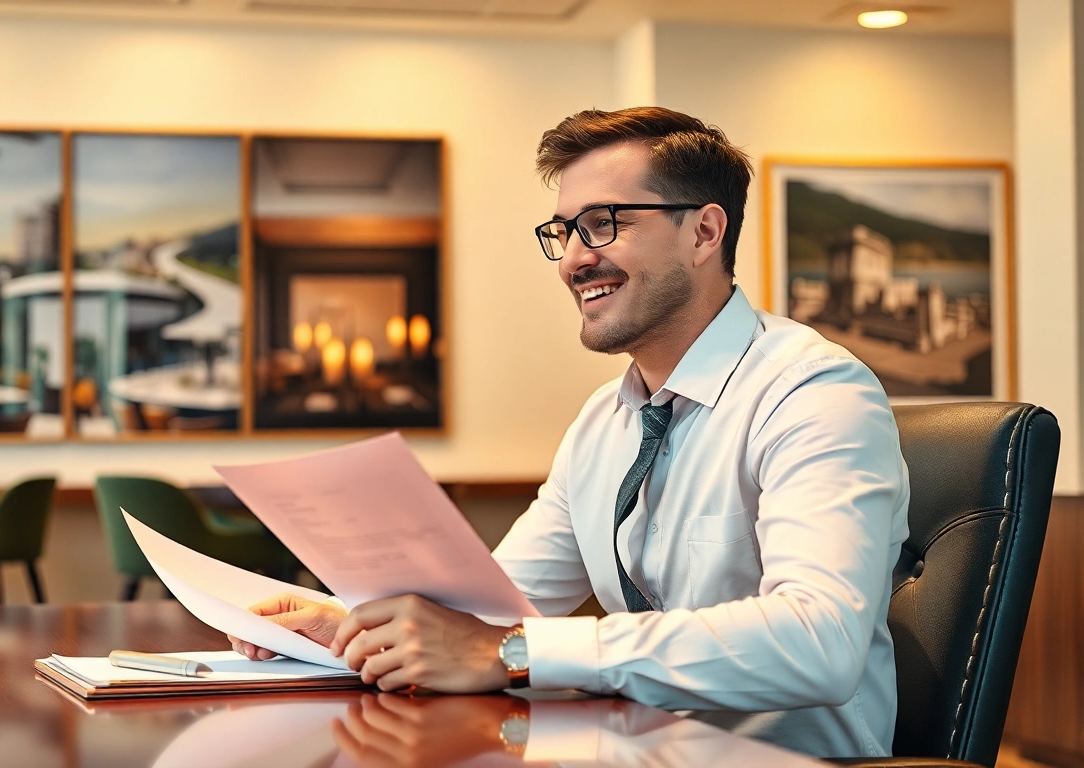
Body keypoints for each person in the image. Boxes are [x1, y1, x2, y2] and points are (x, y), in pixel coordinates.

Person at [229, 107, 910, 758]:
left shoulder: (812, 393)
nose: (572, 261)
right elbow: (489, 607)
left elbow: (819, 642)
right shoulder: (603, 424)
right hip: (623, 750)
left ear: (705, 233)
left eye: (603, 224)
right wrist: (340, 624)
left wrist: (512, 651)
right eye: (564, 232)